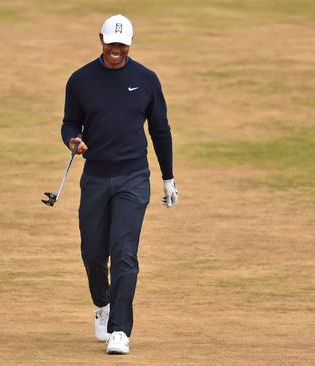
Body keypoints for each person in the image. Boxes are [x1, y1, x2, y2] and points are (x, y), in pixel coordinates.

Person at [60, 14, 178, 355]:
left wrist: (168, 178)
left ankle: (120, 330)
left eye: (122, 44)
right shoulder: (81, 80)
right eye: (111, 43)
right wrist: (72, 140)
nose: (116, 50)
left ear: (130, 43)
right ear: (101, 39)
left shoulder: (146, 79)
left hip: (133, 176)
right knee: (93, 252)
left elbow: (160, 129)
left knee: (124, 252)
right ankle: (103, 303)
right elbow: (70, 122)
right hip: (95, 176)